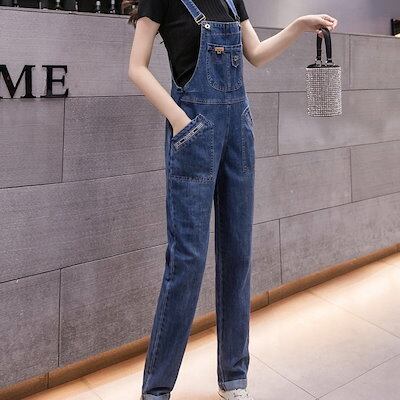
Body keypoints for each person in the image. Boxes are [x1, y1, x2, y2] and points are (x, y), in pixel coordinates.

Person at [124, 0, 337, 398]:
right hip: (193, 134)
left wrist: (298, 25)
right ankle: (156, 390)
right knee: (187, 261)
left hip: (238, 133)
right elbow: (136, 67)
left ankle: (234, 378)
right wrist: (180, 121)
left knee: (238, 254)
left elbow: (256, 54)